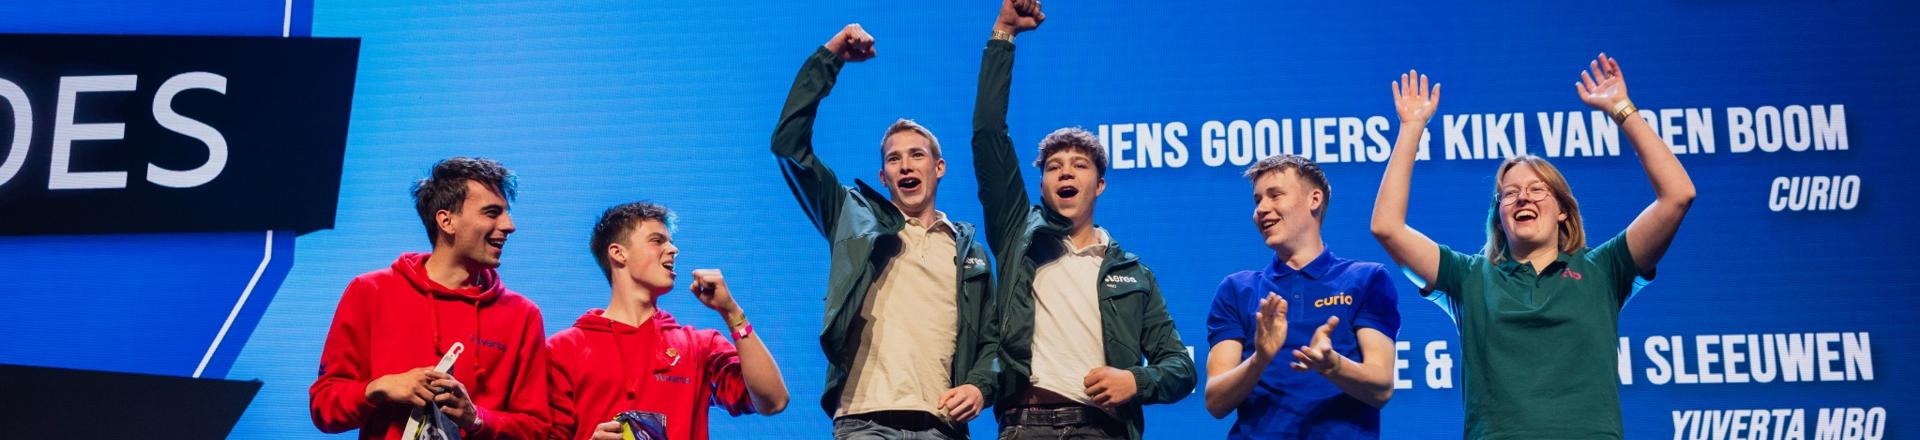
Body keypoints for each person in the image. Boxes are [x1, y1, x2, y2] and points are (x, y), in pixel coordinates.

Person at [1369, 55, 1697, 438]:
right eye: (1509, 194)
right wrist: (1411, 128)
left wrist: (1621, 109)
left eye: (1537, 189)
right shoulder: (1469, 277)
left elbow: (1678, 196)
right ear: (1499, 217)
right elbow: (1386, 227)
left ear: (1563, 210)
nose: (1523, 197)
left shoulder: (1604, 269)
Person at [970, 2, 1195, 438]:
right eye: (1054, 167)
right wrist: (1004, 33)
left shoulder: (1133, 274)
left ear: (1100, 185)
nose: (1066, 173)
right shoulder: (1018, 234)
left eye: (1079, 166)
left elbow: (1180, 367)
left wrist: (1135, 380)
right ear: (1042, 185)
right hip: (1025, 424)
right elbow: (988, 133)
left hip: (1100, 429)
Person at [769, 20, 1002, 440]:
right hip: (864, 420)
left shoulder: (969, 250)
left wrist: (979, 386)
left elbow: (992, 340)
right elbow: (789, 145)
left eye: (917, 155)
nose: (906, 165)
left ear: (939, 168)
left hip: (942, 425)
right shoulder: (852, 217)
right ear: (883, 176)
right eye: (895, 159)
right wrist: (831, 56)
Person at [310, 157, 550, 440]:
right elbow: (324, 407)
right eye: (492, 213)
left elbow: (537, 429)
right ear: (446, 221)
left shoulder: (522, 315)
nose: (509, 225)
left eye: (506, 213)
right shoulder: (370, 292)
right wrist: (380, 387)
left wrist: (476, 419)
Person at [546, 202, 789, 440]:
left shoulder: (700, 347)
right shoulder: (564, 349)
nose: (673, 249)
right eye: (657, 240)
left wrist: (731, 312)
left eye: (670, 241)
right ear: (619, 253)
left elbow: (774, 400)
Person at [1202, 154, 1401, 439]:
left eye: (1275, 195)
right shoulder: (1237, 289)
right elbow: (1215, 402)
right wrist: (1260, 358)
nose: (1262, 209)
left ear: (1314, 199)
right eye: (1257, 200)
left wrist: (1332, 364)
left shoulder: (1367, 279)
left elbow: (1381, 388)